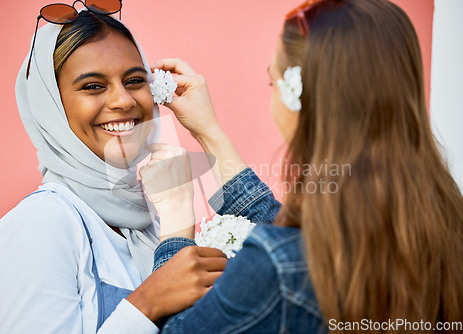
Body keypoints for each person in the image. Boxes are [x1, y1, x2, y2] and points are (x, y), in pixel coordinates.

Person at [137, 0, 463, 332]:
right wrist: (208, 132)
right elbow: (289, 232)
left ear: (298, 96)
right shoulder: (442, 223)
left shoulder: (277, 268)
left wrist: (177, 220)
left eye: (272, 82)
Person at [0, 7, 227, 334]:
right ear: (50, 105)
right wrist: (149, 300)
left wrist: (208, 130)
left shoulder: (152, 221)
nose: (123, 100)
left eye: (135, 81)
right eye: (93, 86)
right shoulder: (40, 225)